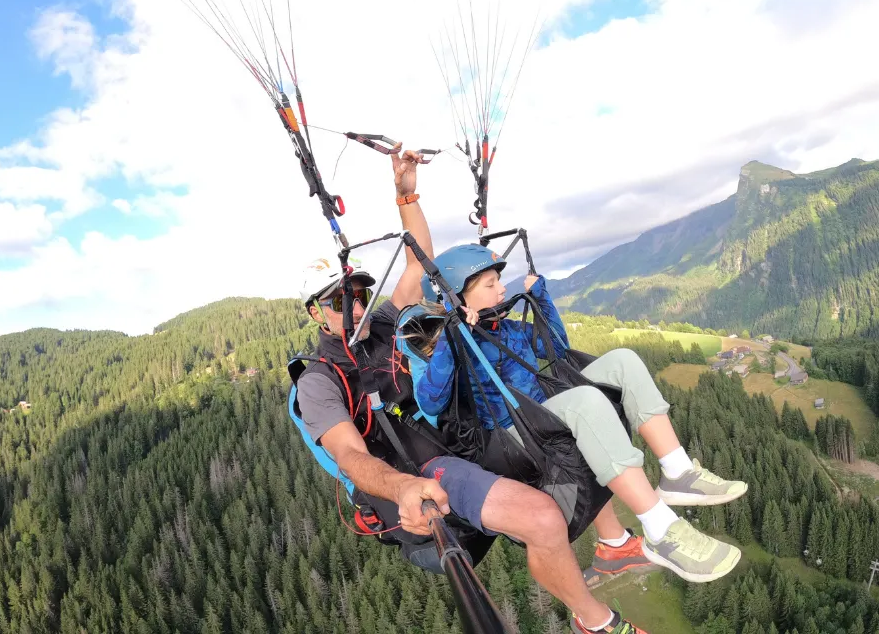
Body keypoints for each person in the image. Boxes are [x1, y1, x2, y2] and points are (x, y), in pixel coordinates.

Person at [291, 147, 648, 634]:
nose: (353, 305)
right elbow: (351, 457)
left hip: (455, 434)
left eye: (357, 293)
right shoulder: (319, 382)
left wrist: (406, 193)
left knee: (561, 424)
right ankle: (599, 624)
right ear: (316, 311)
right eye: (338, 300)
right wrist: (403, 487)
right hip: (417, 469)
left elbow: (418, 262)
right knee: (542, 519)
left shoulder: (380, 326)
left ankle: (615, 544)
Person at [414, 244, 748, 584]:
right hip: (510, 437)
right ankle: (661, 529)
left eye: (498, 280)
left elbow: (556, 348)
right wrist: (451, 339)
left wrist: (542, 299)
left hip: (539, 412)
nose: (502, 288)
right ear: (457, 299)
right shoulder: (451, 346)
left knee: (623, 361)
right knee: (585, 402)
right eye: (489, 284)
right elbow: (430, 402)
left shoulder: (507, 329)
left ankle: (677, 470)